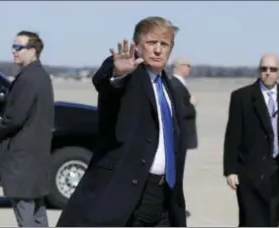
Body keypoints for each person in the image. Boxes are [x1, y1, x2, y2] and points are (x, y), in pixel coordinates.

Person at [56, 16, 188, 227]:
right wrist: (117, 74)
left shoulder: (170, 88)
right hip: (129, 194)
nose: (157, 50)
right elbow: (105, 83)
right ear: (137, 46)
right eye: (151, 43)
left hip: (164, 198)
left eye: (164, 44)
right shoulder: (129, 74)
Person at [0, 31, 54, 227]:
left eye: (18, 47)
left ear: (33, 51)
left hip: (22, 161)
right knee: (37, 214)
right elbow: (25, 115)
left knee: (26, 218)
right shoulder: (40, 75)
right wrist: (2, 119)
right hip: (33, 160)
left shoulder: (28, 79)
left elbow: (15, 120)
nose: (14, 51)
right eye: (13, 47)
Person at [223, 53, 279, 227]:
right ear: (259, 71)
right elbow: (232, 135)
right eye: (264, 69)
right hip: (250, 172)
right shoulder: (242, 97)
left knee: (272, 220)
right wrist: (230, 170)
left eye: (273, 69)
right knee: (251, 221)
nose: (268, 73)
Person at [170, 58, 198, 150]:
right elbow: (180, 111)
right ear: (180, 67)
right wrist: (191, 105)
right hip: (180, 136)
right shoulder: (176, 85)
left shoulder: (176, 83)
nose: (189, 68)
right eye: (188, 65)